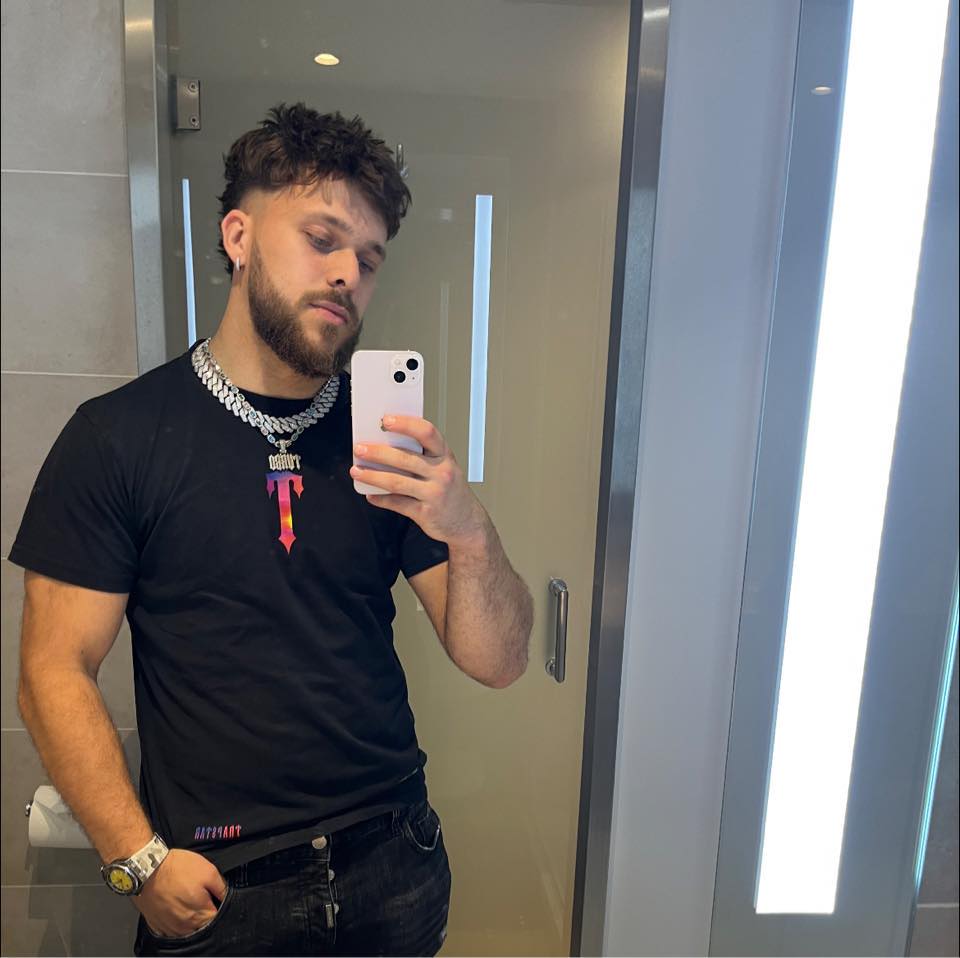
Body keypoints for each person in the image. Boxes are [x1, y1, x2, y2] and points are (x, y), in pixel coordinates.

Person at [12, 102, 534, 957]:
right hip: (222, 888)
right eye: (322, 239)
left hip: (394, 858)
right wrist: (137, 862)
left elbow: (498, 662)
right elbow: (51, 670)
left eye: (369, 259)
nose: (348, 274)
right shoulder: (118, 437)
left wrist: (468, 527)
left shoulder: (381, 439)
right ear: (239, 235)